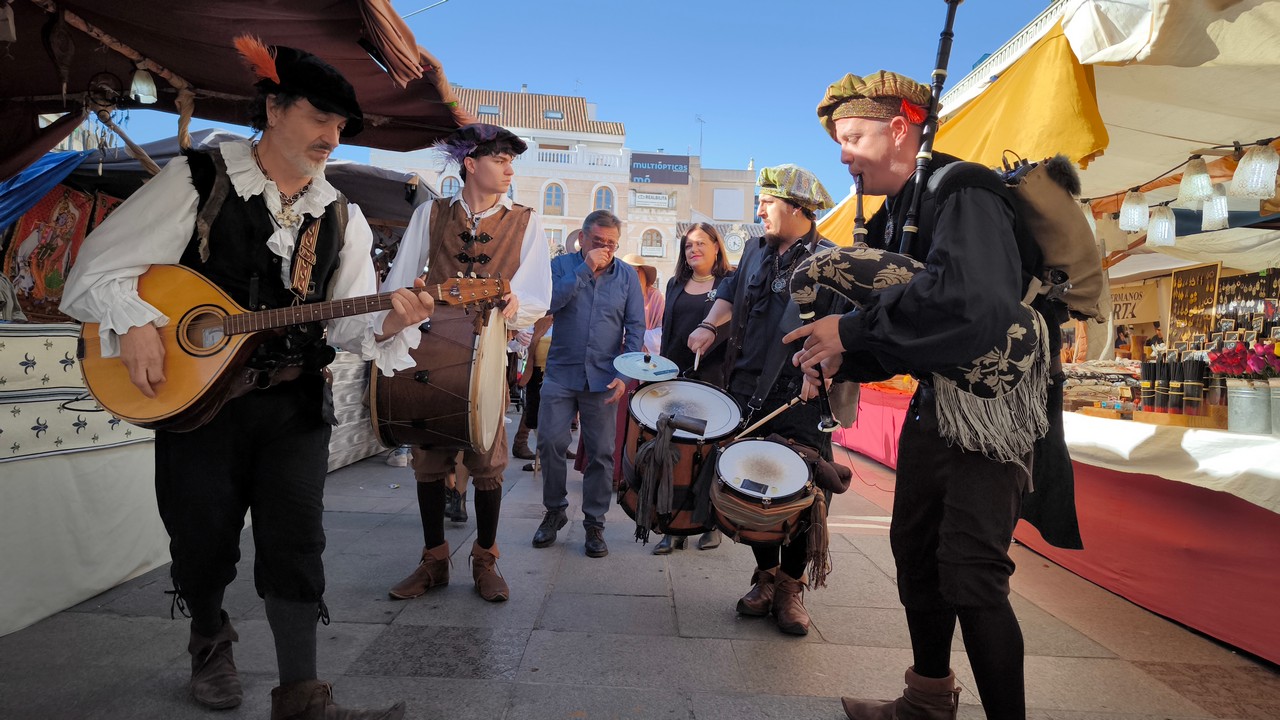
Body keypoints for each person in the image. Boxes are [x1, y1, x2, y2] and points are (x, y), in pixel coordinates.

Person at [60, 37, 429, 719]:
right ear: (274, 108)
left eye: (340, 126)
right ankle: (209, 640)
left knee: (297, 541)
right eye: (319, 118)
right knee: (202, 539)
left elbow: (349, 322)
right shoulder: (199, 180)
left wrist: (389, 320)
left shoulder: (337, 213)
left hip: (293, 402)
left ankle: (302, 696)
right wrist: (137, 322)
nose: (331, 136)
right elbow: (94, 273)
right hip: (201, 403)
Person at [790, 70, 1067, 720]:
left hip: (992, 411)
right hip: (937, 403)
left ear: (898, 129)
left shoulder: (963, 189)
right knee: (916, 559)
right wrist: (837, 357)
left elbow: (970, 305)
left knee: (971, 575)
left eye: (853, 135)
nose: (843, 152)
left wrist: (850, 328)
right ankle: (926, 702)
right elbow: (908, 330)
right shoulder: (901, 212)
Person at [382, 123, 552, 603]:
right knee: (428, 457)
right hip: (429, 352)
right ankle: (434, 560)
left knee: (487, 458)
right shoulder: (431, 216)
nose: (509, 170)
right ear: (471, 164)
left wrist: (515, 303)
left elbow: (539, 293)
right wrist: (401, 312)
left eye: (511, 162)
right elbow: (396, 283)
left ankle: (486, 558)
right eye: (500, 161)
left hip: (488, 352)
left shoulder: (526, 220)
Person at [686, 164, 847, 636]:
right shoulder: (755, 251)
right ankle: (766, 576)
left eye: (767, 202)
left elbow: (841, 336)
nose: (759, 210)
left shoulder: (830, 259)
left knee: (800, 494)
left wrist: (824, 372)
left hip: (799, 398)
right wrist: (707, 326)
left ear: (797, 208)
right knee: (752, 487)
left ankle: (791, 588)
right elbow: (730, 297)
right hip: (744, 392)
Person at [532, 210, 645, 558]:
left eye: (612, 244)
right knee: (550, 442)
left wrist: (624, 376)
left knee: (600, 453)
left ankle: (595, 523)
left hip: (603, 378)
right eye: (599, 242)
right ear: (582, 239)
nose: (606, 249)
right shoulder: (561, 266)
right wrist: (585, 270)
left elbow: (635, 330)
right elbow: (548, 304)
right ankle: (555, 511)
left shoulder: (627, 277)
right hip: (561, 373)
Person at [650, 222, 734, 555]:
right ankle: (673, 527)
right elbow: (669, 332)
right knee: (674, 453)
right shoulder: (675, 284)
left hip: (714, 381)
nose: (693, 250)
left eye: (700, 243)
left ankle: (710, 524)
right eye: (688, 246)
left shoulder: (729, 283)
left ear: (716, 246)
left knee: (710, 454)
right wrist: (660, 374)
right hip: (676, 380)